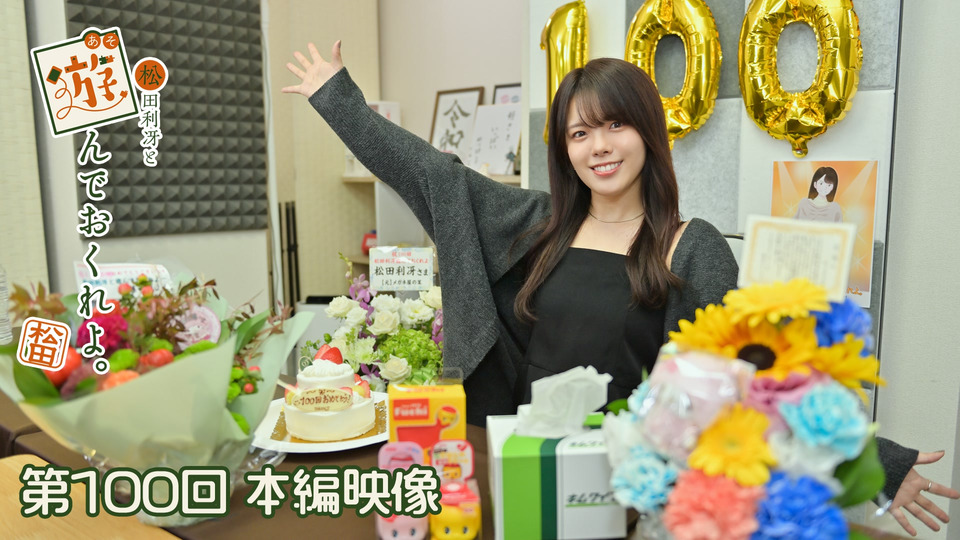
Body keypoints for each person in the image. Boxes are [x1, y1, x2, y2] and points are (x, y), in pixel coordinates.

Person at [283, 40, 957, 535]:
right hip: (523, 463)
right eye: (580, 132)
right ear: (565, 148)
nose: (598, 146)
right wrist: (337, 97)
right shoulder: (537, 224)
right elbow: (433, 175)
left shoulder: (691, 246)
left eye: (615, 124)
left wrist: (879, 461)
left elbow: (753, 371)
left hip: (628, 487)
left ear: (647, 131)